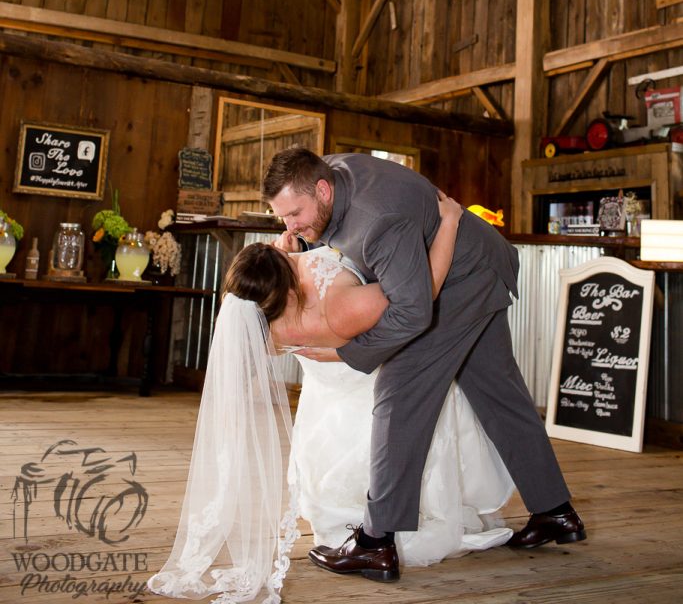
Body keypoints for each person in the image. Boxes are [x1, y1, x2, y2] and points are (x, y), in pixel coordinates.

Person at [147, 197, 512, 603]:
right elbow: (418, 300)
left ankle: (369, 525)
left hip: (329, 409)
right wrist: (449, 223)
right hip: (372, 393)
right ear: (285, 289)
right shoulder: (338, 304)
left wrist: (292, 252)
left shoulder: (262, 323)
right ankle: (381, 533)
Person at [263, 148, 586, 583]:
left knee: (398, 398)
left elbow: (413, 313)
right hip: (477, 268)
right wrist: (302, 235)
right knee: (499, 393)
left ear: (322, 190)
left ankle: (376, 543)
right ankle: (555, 512)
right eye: (283, 216)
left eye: (294, 214)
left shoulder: (377, 221)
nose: (289, 226)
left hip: (459, 283)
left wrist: (348, 353)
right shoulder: (329, 175)